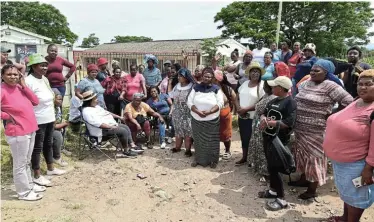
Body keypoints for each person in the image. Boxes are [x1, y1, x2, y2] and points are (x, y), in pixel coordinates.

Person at [291, 59, 354, 200]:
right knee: (302, 155)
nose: (312, 72)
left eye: (316, 70)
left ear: (326, 73)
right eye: (312, 70)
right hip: (300, 128)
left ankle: (312, 189)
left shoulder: (331, 86)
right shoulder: (307, 83)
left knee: (314, 158)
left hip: (317, 131)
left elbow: (349, 102)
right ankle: (303, 178)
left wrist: (333, 115)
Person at [323, 69, 374, 222]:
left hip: (357, 165)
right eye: (360, 84)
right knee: (348, 194)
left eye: (368, 84)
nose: (362, 87)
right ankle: (345, 218)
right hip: (343, 162)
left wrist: (368, 169)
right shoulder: (358, 100)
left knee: (356, 198)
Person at [1, 64, 45, 201]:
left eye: (15, 74)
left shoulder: (20, 88)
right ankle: (23, 193)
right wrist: (7, 116)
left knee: (26, 161)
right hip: (17, 131)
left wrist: (24, 84)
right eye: (9, 74)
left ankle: (30, 186)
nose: (13, 77)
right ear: (2, 76)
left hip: (30, 128)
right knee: (20, 164)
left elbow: (35, 101)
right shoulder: (2, 90)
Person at [25, 54, 66, 187]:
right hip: (37, 119)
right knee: (37, 147)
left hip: (49, 117)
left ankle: (50, 168)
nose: (44, 67)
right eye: (41, 65)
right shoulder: (28, 81)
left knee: (48, 143)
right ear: (33, 67)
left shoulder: (44, 79)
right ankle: (36, 174)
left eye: (45, 65)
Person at [257, 76, 297, 211]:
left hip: (279, 140)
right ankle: (273, 191)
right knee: (270, 166)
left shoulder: (290, 102)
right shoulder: (274, 100)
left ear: (280, 88)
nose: (272, 88)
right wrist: (263, 118)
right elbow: (263, 113)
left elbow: (288, 123)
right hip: (267, 137)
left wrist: (271, 122)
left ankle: (281, 199)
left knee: (277, 168)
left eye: (274, 86)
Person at [81, 90, 141, 157]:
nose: (97, 100)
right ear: (90, 101)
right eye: (95, 99)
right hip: (101, 131)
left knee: (125, 127)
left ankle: (132, 145)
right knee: (122, 131)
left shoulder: (96, 107)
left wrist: (119, 117)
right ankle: (126, 151)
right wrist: (110, 127)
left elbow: (107, 113)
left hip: (108, 126)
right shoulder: (87, 111)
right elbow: (98, 123)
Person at [188, 67, 224, 168]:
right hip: (197, 118)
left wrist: (209, 112)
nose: (207, 78)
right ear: (202, 76)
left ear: (212, 78)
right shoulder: (195, 88)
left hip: (212, 119)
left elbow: (220, 103)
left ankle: (213, 160)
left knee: (212, 140)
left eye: (209, 77)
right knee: (198, 140)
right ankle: (198, 159)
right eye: (205, 76)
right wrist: (197, 111)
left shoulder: (216, 89)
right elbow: (189, 101)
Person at [236, 62, 265, 165]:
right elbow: (237, 96)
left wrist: (246, 109)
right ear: (249, 73)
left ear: (260, 74)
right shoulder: (244, 84)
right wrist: (239, 108)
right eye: (253, 71)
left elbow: (262, 102)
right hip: (242, 116)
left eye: (257, 72)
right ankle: (244, 157)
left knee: (253, 138)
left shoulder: (262, 86)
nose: (255, 74)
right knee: (244, 137)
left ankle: (252, 159)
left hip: (253, 117)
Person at [248, 80, 277, 176]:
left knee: (262, 148)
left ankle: (265, 171)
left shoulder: (273, 98)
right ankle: (258, 167)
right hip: (258, 125)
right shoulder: (266, 95)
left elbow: (262, 110)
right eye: (264, 85)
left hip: (264, 126)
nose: (264, 87)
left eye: (266, 86)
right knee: (258, 146)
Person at [168, 68, 195, 155]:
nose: (179, 77)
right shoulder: (177, 86)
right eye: (178, 76)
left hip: (187, 113)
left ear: (186, 77)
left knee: (188, 131)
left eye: (181, 76)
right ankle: (177, 147)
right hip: (177, 112)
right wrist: (169, 83)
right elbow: (171, 95)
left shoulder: (192, 86)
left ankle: (187, 150)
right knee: (178, 130)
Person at [213, 70, 237, 160]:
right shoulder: (208, 88)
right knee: (213, 133)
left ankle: (227, 151)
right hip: (211, 115)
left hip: (225, 114)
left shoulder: (226, 89)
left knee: (226, 133)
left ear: (217, 80)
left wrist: (236, 111)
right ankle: (215, 151)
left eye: (213, 78)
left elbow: (234, 99)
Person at [51, 89, 68, 167]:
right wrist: (64, 123)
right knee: (57, 135)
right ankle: (56, 157)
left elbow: (58, 120)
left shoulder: (58, 108)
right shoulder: (51, 109)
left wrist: (63, 123)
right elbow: (53, 126)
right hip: (48, 129)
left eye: (61, 99)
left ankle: (61, 148)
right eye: (58, 99)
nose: (61, 101)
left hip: (56, 126)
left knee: (63, 129)